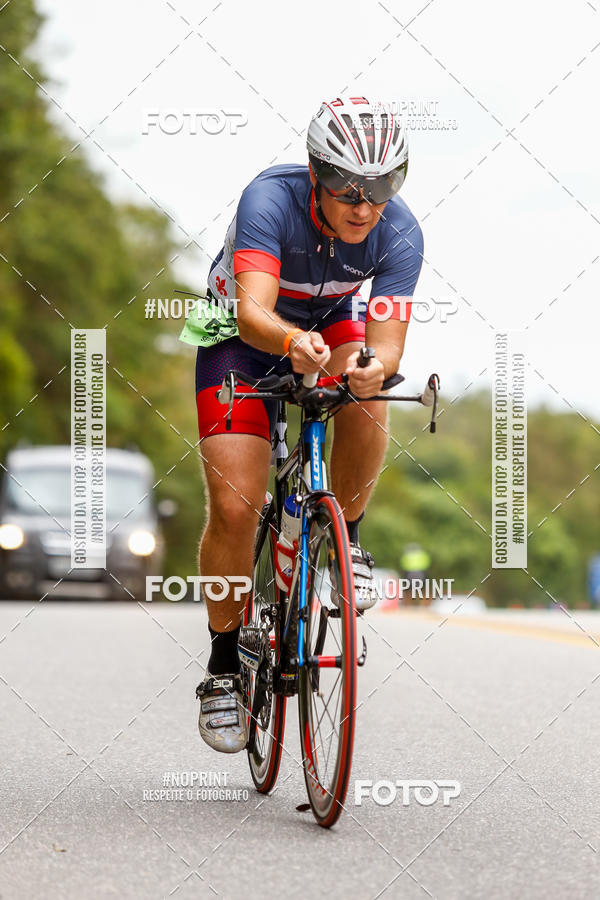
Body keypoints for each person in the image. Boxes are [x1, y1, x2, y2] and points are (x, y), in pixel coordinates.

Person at [181, 97, 424, 753]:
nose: (365, 205)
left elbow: (387, 344)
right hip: (239, 334)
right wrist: (291, 341)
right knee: (235, 505)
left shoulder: (401, 231)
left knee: (370, 389)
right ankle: (223, 666)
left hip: (327, 325)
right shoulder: (269, 200)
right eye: (348, 186)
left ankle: (344, 545)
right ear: (316, 172)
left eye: (383, 186)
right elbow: (255, 312)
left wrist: (374, 369)